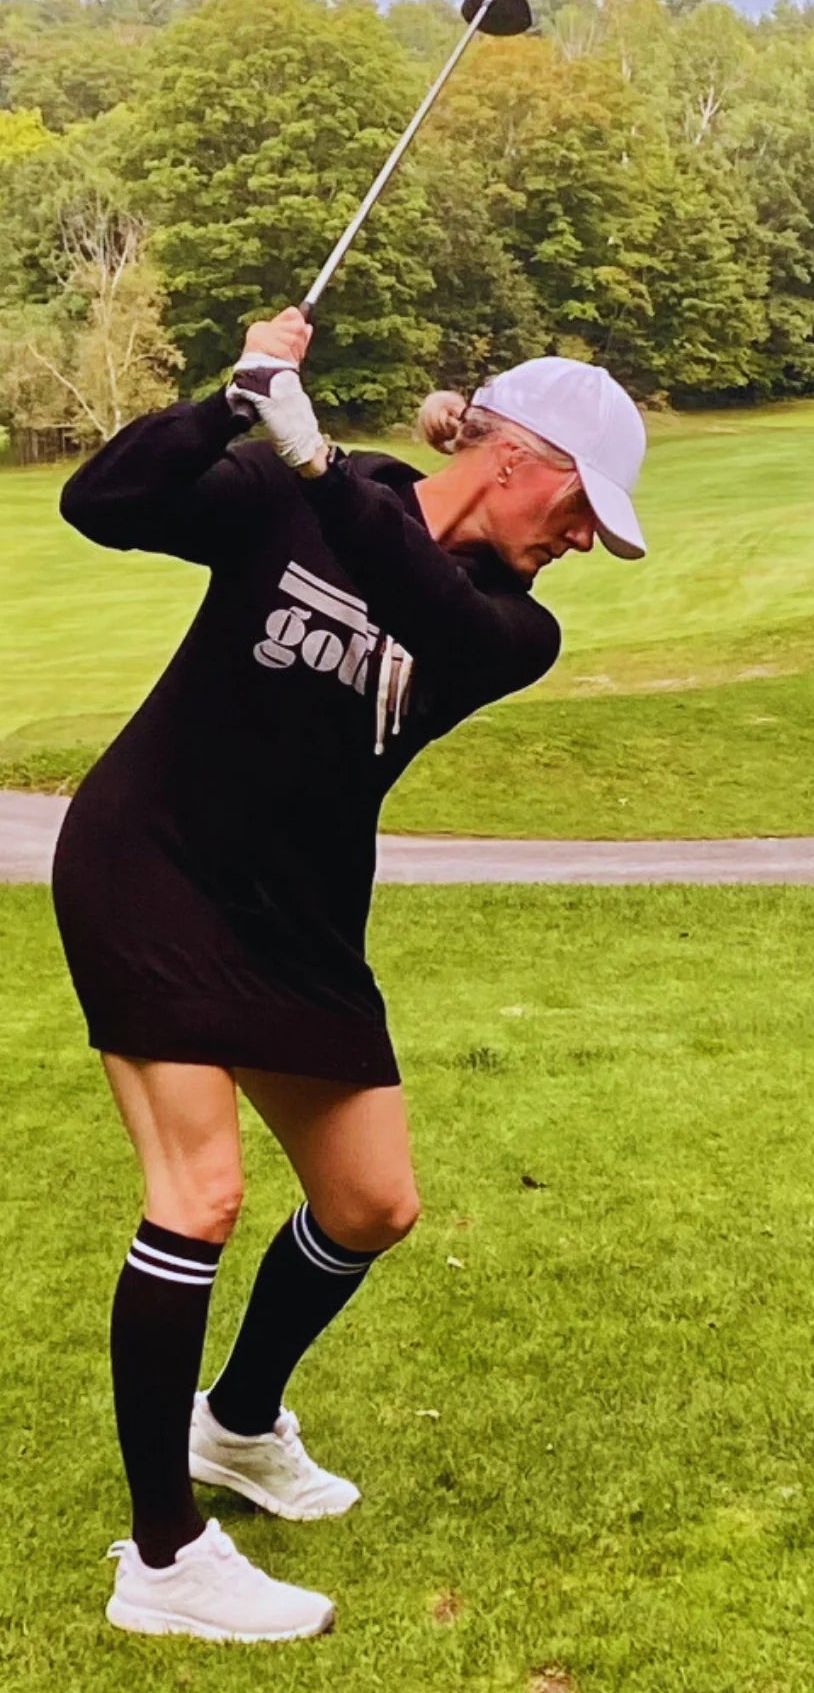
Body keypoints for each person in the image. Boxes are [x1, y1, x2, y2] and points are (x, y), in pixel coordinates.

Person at [51, 306, 647, 1643]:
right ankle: (163, 1559)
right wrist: (232, 404)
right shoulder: (301, 487)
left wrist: (314, 459)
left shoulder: (509, 624)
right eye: (582, 511)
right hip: (152, 859)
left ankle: (241, 1425)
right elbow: (106, 501)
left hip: (299, 914)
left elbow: (417, 601)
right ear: (521, 463)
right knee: (198, 1196)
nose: (581, 543)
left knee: (372, 1203)